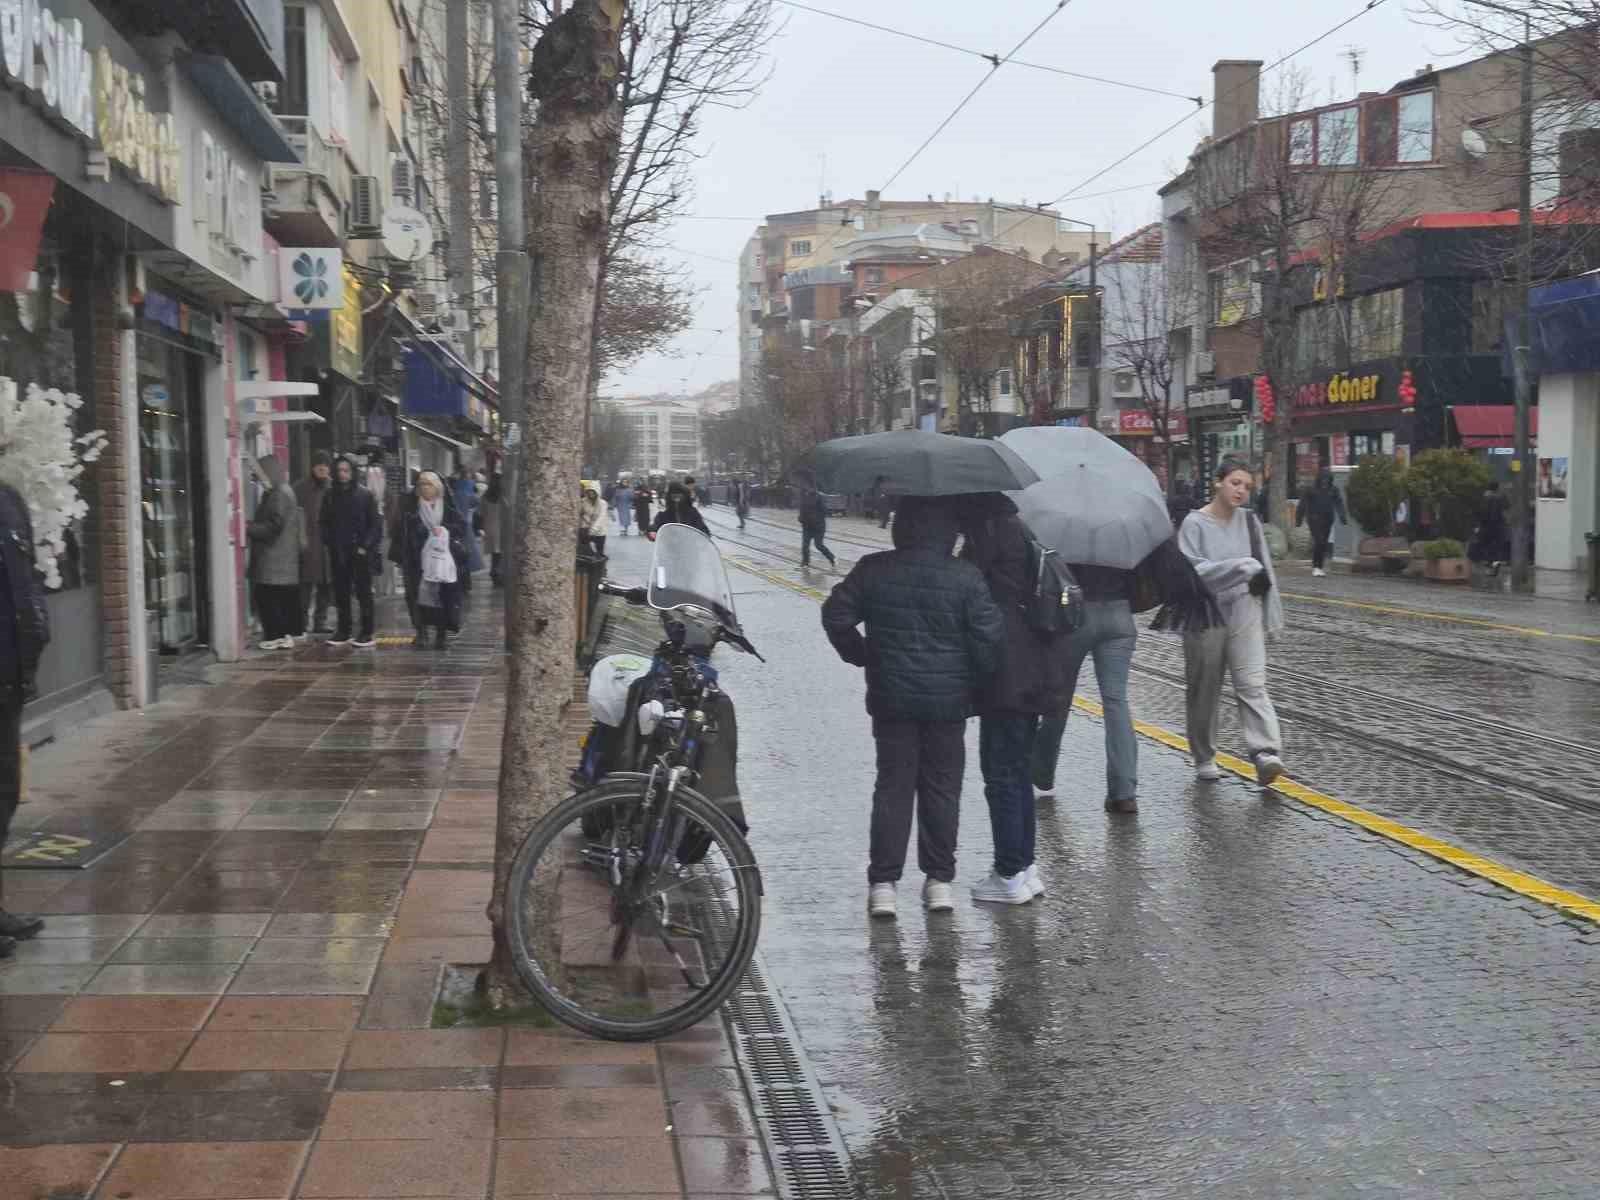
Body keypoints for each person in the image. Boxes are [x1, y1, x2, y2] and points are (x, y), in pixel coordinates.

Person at [821, 496, 1005, 920]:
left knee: (893, 787)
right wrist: (973, 676)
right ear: (948, 532)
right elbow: (989, 639)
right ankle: (938, 881)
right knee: (942, 788)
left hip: (892, 697)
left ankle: (883, 885)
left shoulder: (873, 569)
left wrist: (863, 653)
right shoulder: (966, 576)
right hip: (948, 702)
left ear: (900, 527)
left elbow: (836, 615)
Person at [959, 496, 1070, 904]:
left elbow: (970, 589)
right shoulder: (1020, 529)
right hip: (1034, 666)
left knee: (1001, 771)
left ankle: (1008, 872)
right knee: (1018, 769)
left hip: (1008, 672)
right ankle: (1024, 866)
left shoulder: (988, 533)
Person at [1179, 457, 1286, 785]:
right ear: (1218, 482)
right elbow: (1192, 572)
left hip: (1245, 609)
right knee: (1204, 687)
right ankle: (1204, 755)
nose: (1241, 491)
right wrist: (1237, 567)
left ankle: (1265, 751)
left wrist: (1272, 617)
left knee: (1252, 682)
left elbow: (1264, 570)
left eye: (1247, 487)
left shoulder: (1251, 522)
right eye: (1235, 483)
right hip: (1205, 612)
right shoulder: (1193, 524)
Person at [0, 481, 50, 958]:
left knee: (6, 790)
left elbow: (27, 575)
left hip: (11, 672)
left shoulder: (10, 499)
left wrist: (38, 626)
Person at [392, 470, 470, 649]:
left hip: (442, 561)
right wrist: (416, 534)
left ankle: (441, 633)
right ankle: (421, 631)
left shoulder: (448, 508)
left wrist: (444, 531)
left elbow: (461, 528)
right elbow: (400, 532)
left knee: (443, 596)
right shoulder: (411, 508)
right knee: (417, 596)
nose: (424, 488)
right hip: (417, 561)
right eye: (421, 484)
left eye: (428, 484)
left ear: (437, 487)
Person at [320, 455, 382, 648]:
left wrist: (365, 546)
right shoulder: (330, 495)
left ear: (353, 472)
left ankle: (366, 631)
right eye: (339, 471)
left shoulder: (365, 495)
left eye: (346, 470)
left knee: (363, 592)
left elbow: (375, 524)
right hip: (338, 550)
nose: (343, 475)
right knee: (341, 592)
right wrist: (329, 541)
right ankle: (343, 629)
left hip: (360, 550)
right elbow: (324, 522)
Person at [247, 455, 304, 650]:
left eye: (260, 473)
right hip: (282, 558)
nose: (258, 478)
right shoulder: (284, 490)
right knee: (278, 599)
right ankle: (283, 634)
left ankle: (275, 635)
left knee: (267, 598)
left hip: (274, 557)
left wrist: (249, 528)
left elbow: (274, 526)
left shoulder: (278, 494)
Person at [294, 451, 334, 633]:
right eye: (319, 464)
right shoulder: (300, 488)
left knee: (325, 586)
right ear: (312, 467)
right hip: (306, 544)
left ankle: (320, 621)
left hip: (327, 545)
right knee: (304, 587)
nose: (322, 468)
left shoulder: (333, 488)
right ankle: (301, 622)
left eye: (325, 465)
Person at [1294, 469, 1347, 577]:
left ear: (1330, 480)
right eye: (1323, 479)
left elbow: (1339, 503)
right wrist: (1298, 519)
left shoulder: (1333, 490)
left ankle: (1320, 566)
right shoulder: (1311, 489)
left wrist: (1342, 516)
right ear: (1319, 479)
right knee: (1319, 540)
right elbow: (1302, 504)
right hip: (1314, 519)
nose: (1325, 482)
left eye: (1327, 479)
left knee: (1323, 543)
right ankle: (1316, 567)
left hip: (1328, 519)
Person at [452, 462, 484, 576]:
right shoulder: (469, 489)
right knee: (469, 548)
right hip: (467, 521)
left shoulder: (455, 489)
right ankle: (467, 570)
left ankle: (461, 570)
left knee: (459, 547)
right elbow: (476, 504)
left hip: (456, 522)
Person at [799, 488, 836, 569]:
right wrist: (801, 519)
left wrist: (826, 514)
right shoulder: (804, 500)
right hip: (807, 527)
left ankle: (831, 557)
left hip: (818, 527)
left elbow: (825, 511)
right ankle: (805, 562)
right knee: (805, 546)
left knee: (818, 545)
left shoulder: (819, 500)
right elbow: (801, 512)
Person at [480, 473, 504, 585]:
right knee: (500, 553)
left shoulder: (485, 496)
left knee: (495, 553)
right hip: (501, 527)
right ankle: (497, 573)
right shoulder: (503, 496)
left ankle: (494, 572)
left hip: (489, 527)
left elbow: (481, 512)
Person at [580, 483, 610, 555]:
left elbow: (601, 517)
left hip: (600, 530)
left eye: (593, 492)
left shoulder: (603, 503)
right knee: (585, 550)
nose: (591, 494)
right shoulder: (583, 502)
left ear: (597, 492)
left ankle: (600, 563)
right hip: (586, 529)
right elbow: (581, 514)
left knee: (599, 550)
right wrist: (583, 526)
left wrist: (594, 529)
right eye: (589, 492)